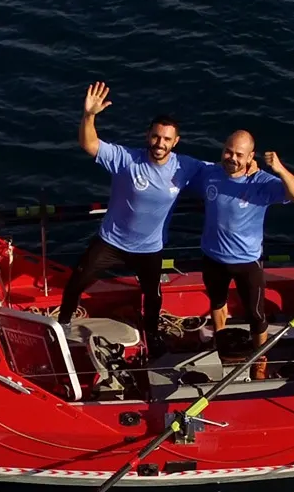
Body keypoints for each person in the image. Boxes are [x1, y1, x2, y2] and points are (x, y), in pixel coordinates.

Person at [56, 82, 202, 344]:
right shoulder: (126, 160)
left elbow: (221, 172)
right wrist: (89, 115)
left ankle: (152, 334)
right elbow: (89, 144)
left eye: (167, 139)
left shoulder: (186, 167)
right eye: (156, 137)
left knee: (154, 296)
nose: (160, 143)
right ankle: (63, 325)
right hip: (111, 241)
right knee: (77, 281)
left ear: (175, 142)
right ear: (148, 135)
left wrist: (247, 167)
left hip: (149, 249)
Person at [195, 129, 294, 377]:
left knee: (256, 314)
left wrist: (279, 168)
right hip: (212, 257)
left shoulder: (262, 182)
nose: (232, 158)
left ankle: (259, 357)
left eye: (239, 155)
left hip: (247, 262)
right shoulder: (210, 173)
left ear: (250, 156)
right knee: (217, 303)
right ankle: (220, 345)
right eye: (228, 151)